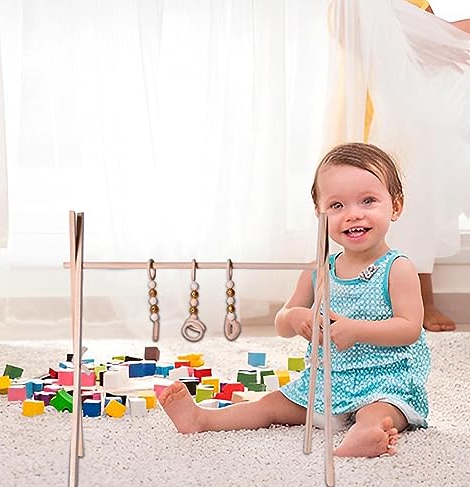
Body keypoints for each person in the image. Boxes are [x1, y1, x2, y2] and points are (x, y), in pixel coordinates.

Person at [159, 142, 431, 458]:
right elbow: (282, 322)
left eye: (368, 201)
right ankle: (202, 419)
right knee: (271, 405)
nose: (353, 214)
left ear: (395, 206)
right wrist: (294, 317)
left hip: (385, 379)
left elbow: (409, 328)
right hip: (326, 382)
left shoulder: (397, 268)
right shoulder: (317, 272)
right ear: (319, 213)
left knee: (378, 411)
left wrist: (358, 330)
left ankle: (366, 434)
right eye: (337, 206)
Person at [323, 0, 470, 333]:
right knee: (376, 212)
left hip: (416, 124)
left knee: (418, 211)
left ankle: (419, 300)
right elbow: (398, 43)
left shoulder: (419, 4)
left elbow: (433, 56)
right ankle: (384, 301)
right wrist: (446, 37)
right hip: (378, 120)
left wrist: (446, 39)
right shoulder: (354, 6)